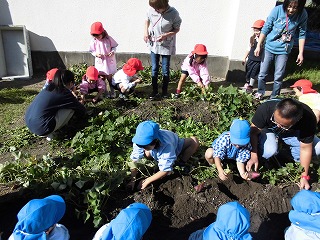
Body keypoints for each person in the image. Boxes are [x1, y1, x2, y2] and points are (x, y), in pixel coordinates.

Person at [246, 98, 320, 190]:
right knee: (269, 150)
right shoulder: (266, 108)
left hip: (292, 134)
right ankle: (271, 157)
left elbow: (305, 148)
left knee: (317, 148)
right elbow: (253, 132)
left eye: (283, 125)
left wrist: (304, 176)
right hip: (268, 130)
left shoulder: (308, 119)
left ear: (297, 120)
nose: (277, 125)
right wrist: (253, 154)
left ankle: (286, 156)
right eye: (275, 120)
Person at [254, 0, 308, 100]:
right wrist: (259, 45)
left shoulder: (302, 14)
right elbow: (266, 27)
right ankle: (260, 92)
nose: (291, 10)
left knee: (278, 76)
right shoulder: (277, 10)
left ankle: (275, 96)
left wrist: (301, 53)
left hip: (284, 49)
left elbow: (302, 34)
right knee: (262, 74)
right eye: (289, 6)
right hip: (269, 47)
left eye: (295, 7)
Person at [129, 120, 199, 190]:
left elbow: (165, 170)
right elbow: (134, 160)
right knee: (147, 153)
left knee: (194, 141)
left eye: (145, 146)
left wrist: (147, 180)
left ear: (155, 141)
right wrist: (133, 180)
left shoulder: (167, 145)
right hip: (155, 151)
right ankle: (159, 160)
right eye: (140, 145)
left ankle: (182, 162)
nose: (142, 147)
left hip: (176, 147)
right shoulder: (139, 141)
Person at [25, 69, 86, 141]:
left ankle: (50, 129)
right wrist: (81, 103)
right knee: (71, 109)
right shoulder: (64, 93)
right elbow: (80, 109)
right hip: (42, 128)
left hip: (30, 123)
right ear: (70, 83)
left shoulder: (48, 87)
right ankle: (53, 133)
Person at [144, 0, 182, 99]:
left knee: (165, 69)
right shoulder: (151, 10)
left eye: (158, 8)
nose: (155, 10)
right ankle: (154, 91)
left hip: (166, 45)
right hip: (154, 44)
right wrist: (145, 32)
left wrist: (166, 35)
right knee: (154, 68)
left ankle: (164, 92)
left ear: (164, 5)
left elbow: (177, 28)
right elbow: (147, 20)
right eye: (154, 8)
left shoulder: (173, 13)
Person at [89, 21, 118, 98]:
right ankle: (105, 92)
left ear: (102, 32)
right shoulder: (94, 41)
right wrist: (96, 54)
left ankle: (112, 91)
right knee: (102, 79)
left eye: (98, 35)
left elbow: (114, 46)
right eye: (95, 36)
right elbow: (91, 50)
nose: (97, 37)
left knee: (109, 78)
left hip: (108, 61)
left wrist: (112, 52)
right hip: (100, 62)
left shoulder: (108, 39)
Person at [241, 20, 265, 93]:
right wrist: (244, 57)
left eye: (258, 31)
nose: (256, 32)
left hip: (258, 60)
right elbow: (248, 48)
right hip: (250, 59)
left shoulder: (264, 41)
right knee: (248, 72)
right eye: (255, 30)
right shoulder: (252, 39)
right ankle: (247, 83)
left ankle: (250, 86)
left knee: (254, 74)